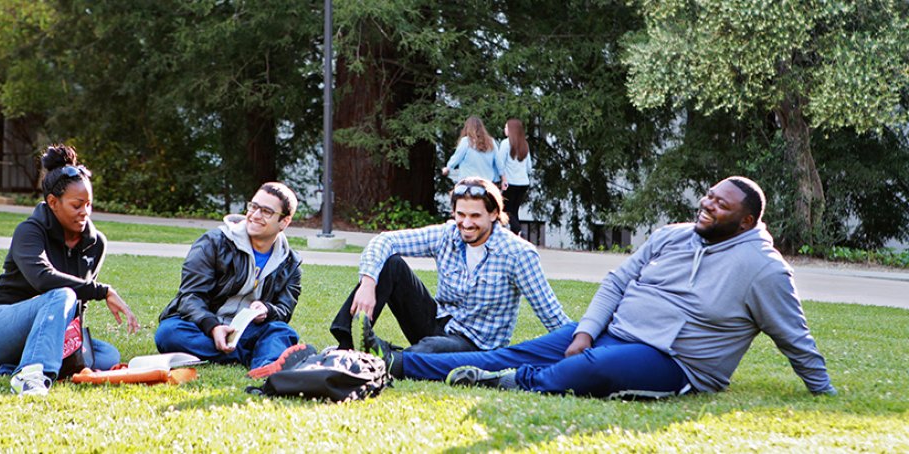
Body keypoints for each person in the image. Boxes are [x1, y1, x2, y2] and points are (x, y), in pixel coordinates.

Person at [361, 177, 837, 399]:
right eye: (709, 196)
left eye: (721, 205)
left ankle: (503, 384)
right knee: (521, 350)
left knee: (591, 369)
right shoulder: (674, 234)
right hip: (614, 330)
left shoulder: (765, 269)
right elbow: (617, 281)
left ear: (747, 220)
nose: (707, 206)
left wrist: (823, 389)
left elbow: (793, 335)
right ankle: (398, 363)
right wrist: (586, 329)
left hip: (676, 360)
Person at [0, 144, 140, 396]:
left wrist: (78, 350)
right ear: (53, 202)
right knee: (63, 294)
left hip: (41, 332)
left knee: (108, 355)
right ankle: (31, 375)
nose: (84, 212)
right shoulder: (29, 231)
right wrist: (103, 290)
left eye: (89, 204)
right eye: (77, 205)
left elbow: (78, 307)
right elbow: (43, 279)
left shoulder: (96, 243)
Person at [329, 176, 571, 354]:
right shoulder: (448, 234)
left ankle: (387, 355)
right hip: (438, 321)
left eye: (475, 216)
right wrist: (368, 283)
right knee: (390, 264)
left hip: (475, 345)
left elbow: (550, 312)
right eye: (460, 215)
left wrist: (582, 342)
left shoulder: (518, 254)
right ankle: (346, 347)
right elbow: (385, 240)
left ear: (494, 214)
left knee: (432, 349)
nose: (466, 223)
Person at [155, 182, 306, 379]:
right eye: (253, 206)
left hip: (247, 330)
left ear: (284, 222)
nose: (255, 215)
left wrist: (267, 310)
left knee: (283, 332)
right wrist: (213, 327)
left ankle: (262, 365)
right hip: (202, 325)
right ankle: (257, 356)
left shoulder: (290, 263)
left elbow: (284, 310)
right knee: (168, 333)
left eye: (267, 211)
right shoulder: (213, 242)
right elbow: (190, 296)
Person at [442, 116, 505, 188]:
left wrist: (448, 168)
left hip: (467, 183)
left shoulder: (466, 141)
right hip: (487, 184)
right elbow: (499, 162)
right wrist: (503, 179)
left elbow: (456, 158)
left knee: (454, 197)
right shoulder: (491, 142)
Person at [498, 118, 534, 235]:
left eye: (506, 127)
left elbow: (500, 164)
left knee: (505, 210)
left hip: (510, 182)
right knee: (514, 210)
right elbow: (529, 167)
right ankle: (516, 235)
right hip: (523, 183)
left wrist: (502, 179)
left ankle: (517, 230)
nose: (504, 130)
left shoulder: (505, 143)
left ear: (512, 130)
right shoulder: (525, 145)